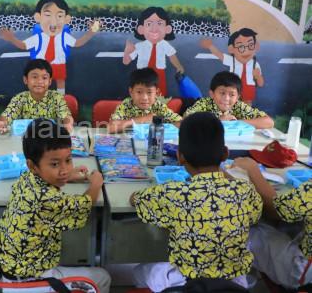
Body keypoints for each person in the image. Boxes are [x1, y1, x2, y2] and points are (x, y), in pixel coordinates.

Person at [130, 112, 263, 292]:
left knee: (139, 271)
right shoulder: (245, 191)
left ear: (179, 156)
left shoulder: (173, 193)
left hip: (188, 284)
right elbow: (254, 215)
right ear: (225, 153)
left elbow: (136, 199)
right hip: (234, 285)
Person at [0, 118, 111, 292]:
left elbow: (49, 176)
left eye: (68, 160)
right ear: (33, 166)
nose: (64, 169)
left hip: (4, 265)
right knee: (102, 278)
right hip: (28, 282)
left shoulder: (27, 177)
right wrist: (95, 184)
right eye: (55, 164)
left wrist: (67, 176)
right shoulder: (48, 200)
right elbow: (83, 206)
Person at [232, 157, 311, 289]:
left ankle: (236, 283)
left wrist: (252, 169)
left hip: (303, 272)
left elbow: (275, 209)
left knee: (242, 230)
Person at [0, 0, 99, 94]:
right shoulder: (39, 37)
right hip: (41, 66)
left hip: (59, 63)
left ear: (66, 19)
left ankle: (60, 100)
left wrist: (92, 32)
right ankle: (42, 99)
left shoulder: (64, 36)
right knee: (42, 82)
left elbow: (77, 43)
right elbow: (24, 45)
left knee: (60, 81)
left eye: (59, 16)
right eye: (48, 15)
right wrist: (11, 39)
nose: (53, 21)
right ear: (38, 17)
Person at [0, 59, 74, 133]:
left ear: (49, 81)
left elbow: (66, 116)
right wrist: (1, 123)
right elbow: (7, 115)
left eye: (44, 78)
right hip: (27, 140)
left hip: (50, 140)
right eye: (34, 77)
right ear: (25, 80)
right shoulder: (20, 98)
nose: (39, 81)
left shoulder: (57, 97)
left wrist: (68, 124)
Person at [123, 7, 184, 96]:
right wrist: (127, 50)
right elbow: (126, 61)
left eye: (159, 23)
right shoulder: (140, 46)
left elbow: (172, 56)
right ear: (141, 29)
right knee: (142, 92)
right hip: (142, 74)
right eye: (149, 24)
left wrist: (179, 66)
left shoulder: (164, 44)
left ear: (167, 29)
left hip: (159, 73)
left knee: (160, 92)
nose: (154, 28)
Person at [184, 71, 274, 129]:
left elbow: (269, 122)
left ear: (238, 97)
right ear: (212, 94)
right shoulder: (204, 103)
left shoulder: (238, 106)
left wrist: (236, 123)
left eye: (232, 95)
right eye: (222, 93)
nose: (226, 98)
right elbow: (186, 121)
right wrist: (217, 121)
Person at [200, 28, 263, 105]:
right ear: (231, 49)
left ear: (256, 46)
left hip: (249, 88)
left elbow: (260, 84)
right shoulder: (232, 61)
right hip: (234, 87)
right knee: (233, 103)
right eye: (241, 47)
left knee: (247, 105)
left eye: (250, 45)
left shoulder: (255, 64)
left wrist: (258, 76)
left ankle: (245, 116)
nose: (246, 51)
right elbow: (220, 55)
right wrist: (210, 46)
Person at [108, 67, 182, 133]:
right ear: (131, 92)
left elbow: (182, 123)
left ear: (156, 93)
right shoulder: (126, 105)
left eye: (149, 92)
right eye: (139, 92)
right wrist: (144, 119)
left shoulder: (158, 106)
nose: (144, 98)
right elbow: (111, 127)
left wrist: (159, 126)